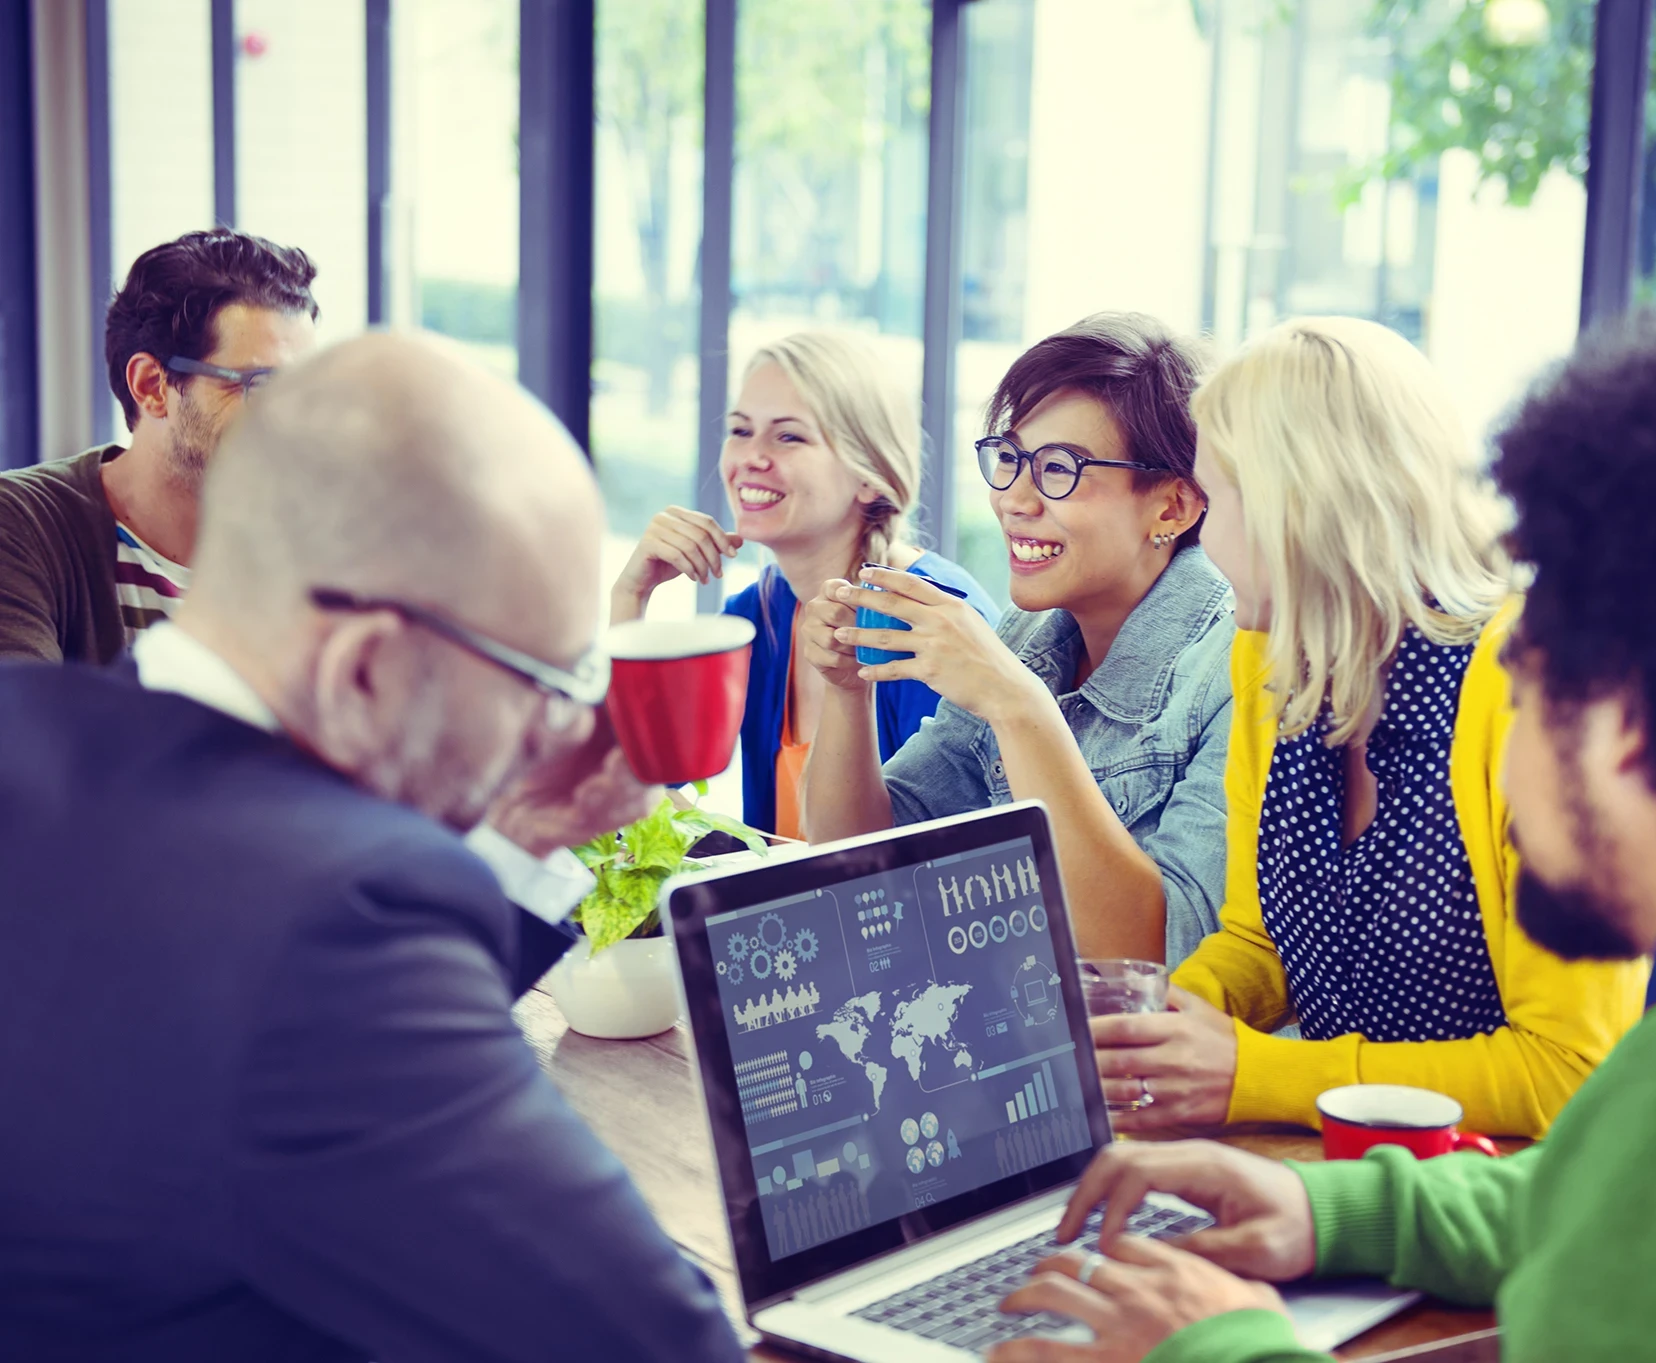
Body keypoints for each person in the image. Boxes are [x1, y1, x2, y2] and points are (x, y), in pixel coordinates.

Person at [981, 298, 1656, 1363]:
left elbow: (1628, 1137)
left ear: (1623, 717)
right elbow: (1603, 1194)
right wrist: (1335, 1212)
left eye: (1536, 671)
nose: (1507, 723)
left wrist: (1218, 1345)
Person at [0, 333, 743, 1362]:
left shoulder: (31, 730)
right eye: (546, 677)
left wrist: (519, 832)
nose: (559, 726)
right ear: (363, 672)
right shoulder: (328, 936)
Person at [1092, 317, 1645, 1139]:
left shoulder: (1531, 686)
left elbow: (1570, 1071)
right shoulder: (1267, 655)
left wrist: (1258, 1074)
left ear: (1298, 510)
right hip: (1337, 1181)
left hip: (1504, 1209)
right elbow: (1260, 938)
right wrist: (1163, 1025)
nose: (1203, 537)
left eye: (1217, 501)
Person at [800, 313, 1234, 963]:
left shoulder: (1235, 669)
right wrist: (845, 690)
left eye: (1060, 468)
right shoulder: (1030, 634)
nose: (1014, 498)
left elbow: (1167, 958)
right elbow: (861, 865)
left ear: (1171, 506)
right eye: (1010, 458)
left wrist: (1019, 706)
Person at [609, 330, 995, 838]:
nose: (752, 456)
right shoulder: (757, 613)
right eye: (741, 430)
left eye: (788, 436)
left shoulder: (932, 623)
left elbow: (922, 865)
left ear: (869, 476)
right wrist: (628, 601)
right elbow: (638, 791)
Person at [0, 227, 320, 662]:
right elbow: (24, 720)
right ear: (151, 386)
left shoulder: (317, 545)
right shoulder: (24, 525)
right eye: (260, 386)